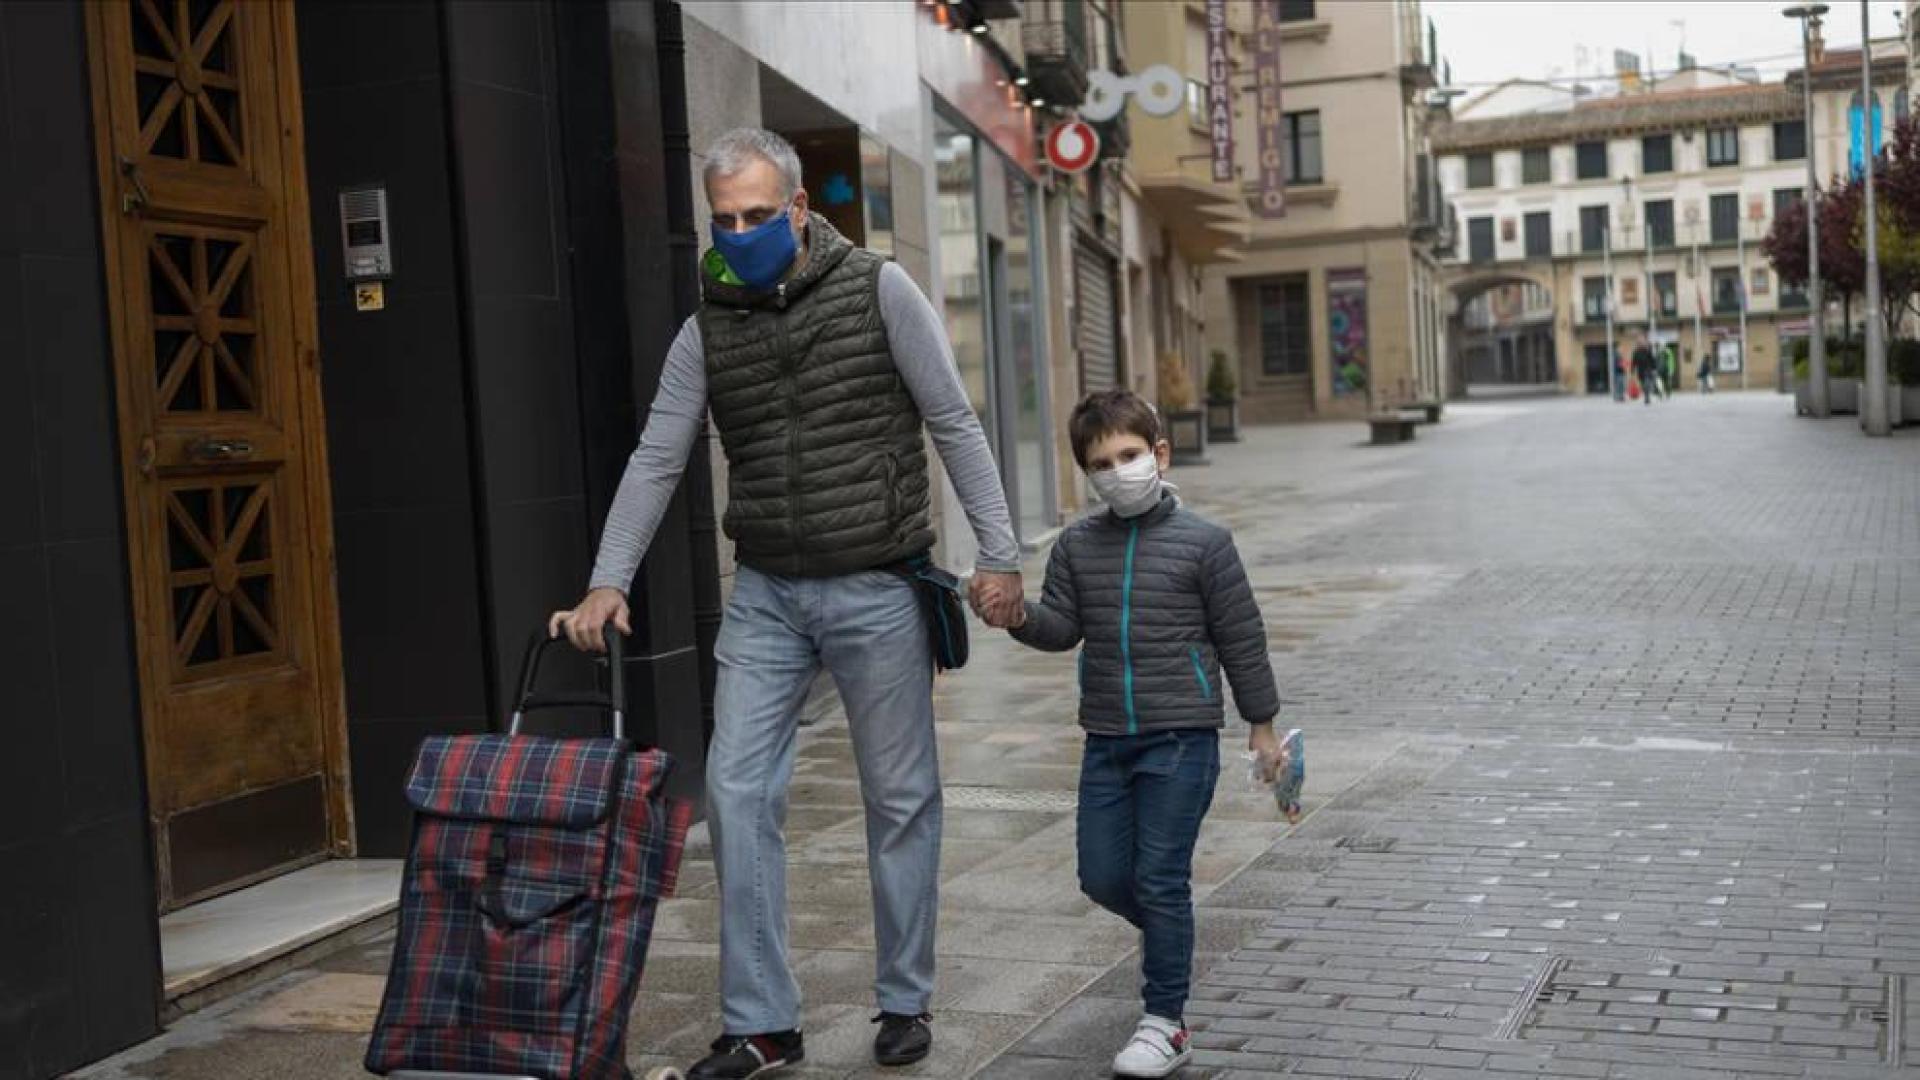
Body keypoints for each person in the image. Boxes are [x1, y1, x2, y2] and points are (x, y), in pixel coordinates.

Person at [550, 128, 1024, 1079]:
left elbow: (954, 421)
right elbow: (657, 454)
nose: (739, 233)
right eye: (723, 221)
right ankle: (763, 1021)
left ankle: (904, 1000)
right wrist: (609, 577)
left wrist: (1000, 554)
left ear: (800, 210)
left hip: (878, 583)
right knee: (732, 790)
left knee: (899, 800)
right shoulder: (705, 324)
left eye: (758, 216)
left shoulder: (882, 289)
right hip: (766, 590)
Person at [999, 390, 1283, 1079]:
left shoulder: (1206, 544)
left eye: (1129, 455)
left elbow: (1241, 638)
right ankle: (1168, 935)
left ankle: (1165, 1021)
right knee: (1101, 876)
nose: (1117, 470)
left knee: (1159, 877)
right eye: (1102, 463)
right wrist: (1016, 616)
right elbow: (1062, 627)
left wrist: (1263, 726)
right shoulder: (1075, 545)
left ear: (1160, 453)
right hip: (1107, 740)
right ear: (1086, 474)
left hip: (1181, 738)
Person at [1631, 335, 1658, 407]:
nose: (1641, 343)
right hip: (1640, 371)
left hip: (1648, 370)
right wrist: (1632, 370)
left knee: (1647, 384)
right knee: (1643, 385)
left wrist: (1654, 369)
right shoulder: (1636, 352)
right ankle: (1646, 395)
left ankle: (1647, 397)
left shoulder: (1648, 350)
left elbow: (1653, 360)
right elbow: (1634, 362)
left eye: (1642, 342)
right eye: (1639, 342)